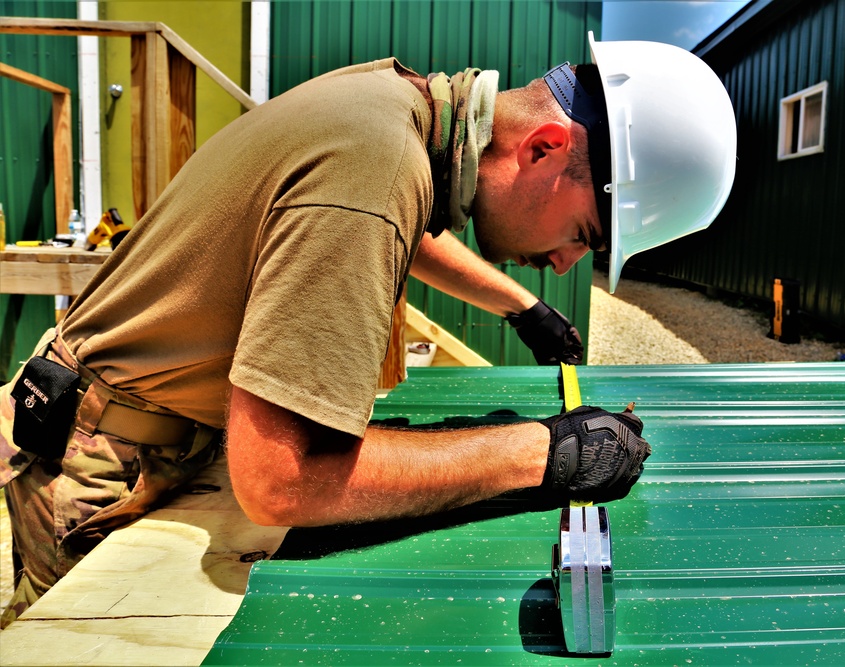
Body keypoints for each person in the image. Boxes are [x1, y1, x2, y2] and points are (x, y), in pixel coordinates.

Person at [0, 32, 736, 626]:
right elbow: (280, 480)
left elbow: (396, 231)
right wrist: (543, 450)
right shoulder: (377, 165)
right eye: (584, 233)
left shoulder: (391, 110)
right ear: (544, 148)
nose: (568, 263)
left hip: (139, 428)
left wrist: (520, 306)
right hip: (98, 461)